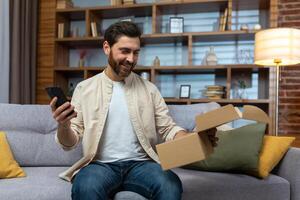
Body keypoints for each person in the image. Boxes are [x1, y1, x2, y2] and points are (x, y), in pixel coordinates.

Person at [50, 21, 218, 200]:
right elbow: (69, 143)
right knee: (85, 188)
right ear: (107, 48)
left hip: (141, 165)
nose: (131, 59)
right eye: (125, 51)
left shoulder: (150, 89)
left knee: (170, 185)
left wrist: (194, 139)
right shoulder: (85, 89)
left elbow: (168, 129)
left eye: (136, 52)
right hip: (99, 165)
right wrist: (64, 125)